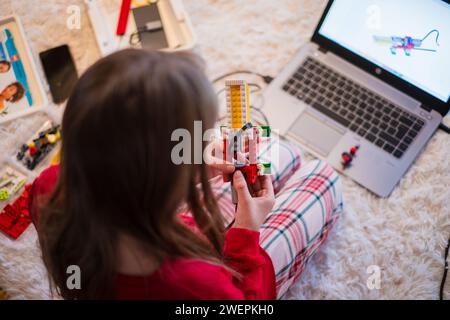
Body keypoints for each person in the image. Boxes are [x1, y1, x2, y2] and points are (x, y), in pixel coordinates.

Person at [29, 49, 343, 300]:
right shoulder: (194, 284)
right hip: (238, 273)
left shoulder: (48, 188)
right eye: (194, 142)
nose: (204, 146)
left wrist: (195, 161)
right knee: (323, 175)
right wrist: (246, 233)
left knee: (278, 153)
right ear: (163, 186)